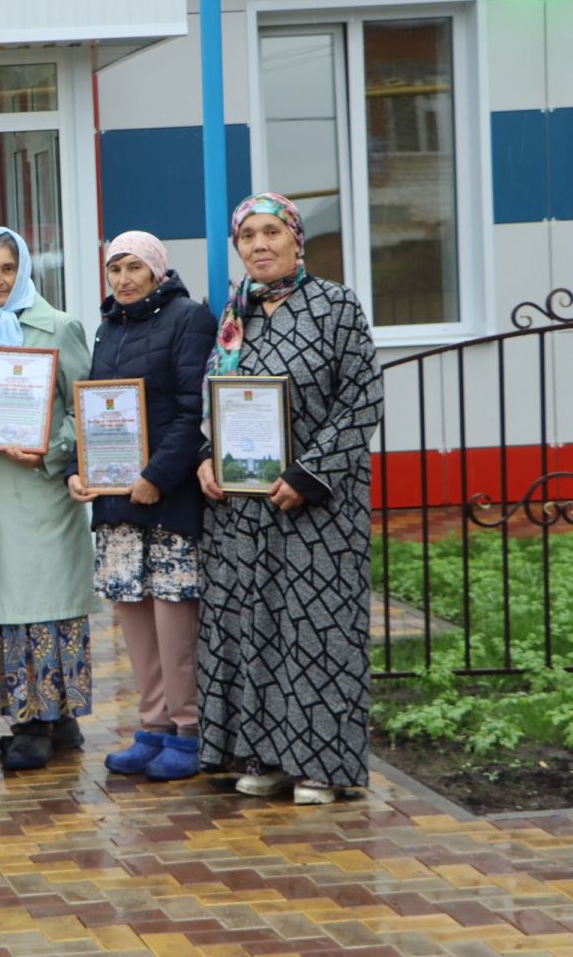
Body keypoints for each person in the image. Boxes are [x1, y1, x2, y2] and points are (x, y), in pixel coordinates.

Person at [196, 194, 383, 806]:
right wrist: (207, 456)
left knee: (316, 630)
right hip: (244, 508)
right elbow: (213, 397)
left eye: (271, 232)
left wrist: (308, 473)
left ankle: (324, 768)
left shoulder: (336, 306)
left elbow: (362, 401)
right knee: (258, 627)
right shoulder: (233, 315)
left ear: (296, 239)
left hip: (316, 507)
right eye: (247, 235)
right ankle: (269, 757)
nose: (259, 245)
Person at [68, 232, 217, 781]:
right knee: (133, 618)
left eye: (135, 268)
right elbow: (93, 413)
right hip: (116, 503)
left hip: (168, 500)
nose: (124, 279)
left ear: (158, 270)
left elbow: (191, 410)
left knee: (174, 621)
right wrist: (77, 471)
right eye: (115, 270)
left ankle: (188, 727)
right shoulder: (109, 328)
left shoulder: (188, 320)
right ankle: (151, 725)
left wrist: (157, 475)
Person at [0, 227, 94, 772]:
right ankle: (52, 718)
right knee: (5, 608)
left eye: (7, 269)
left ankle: (36, 723)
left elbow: (84, 408)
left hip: (38, 491)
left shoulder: (59, 327)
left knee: (43, 605)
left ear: (25, 271)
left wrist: (51, 452)